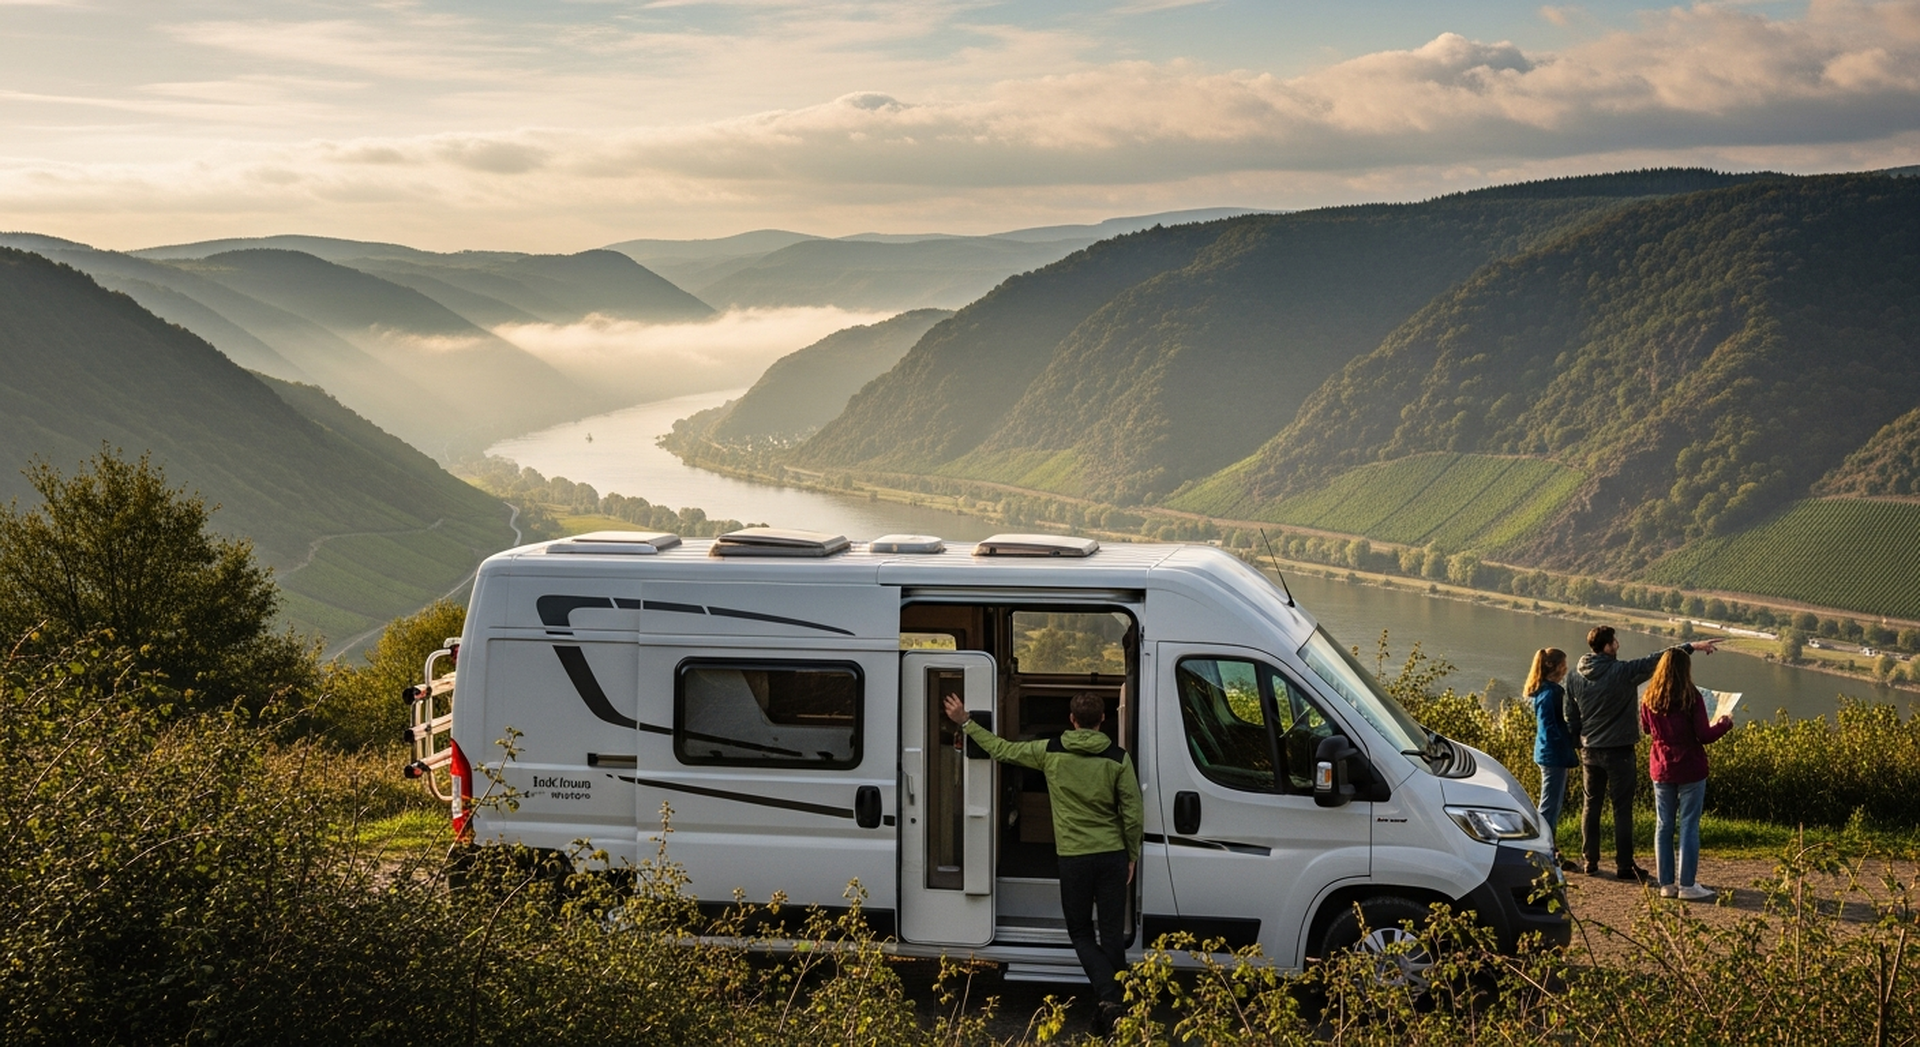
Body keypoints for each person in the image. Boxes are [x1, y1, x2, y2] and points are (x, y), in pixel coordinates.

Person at [943, 690, 1142, 1034]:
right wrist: (1131, 854)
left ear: (1072, 720)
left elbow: (1001, 750)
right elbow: (1133, 813)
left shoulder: (1049, 751)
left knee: (1080, 933)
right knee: (1111, 935)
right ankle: (1114, 1008)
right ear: (1102, 721)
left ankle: (1112, 1001)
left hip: (1075, 858)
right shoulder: (1118, 757)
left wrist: (966, 722)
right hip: (1112, 856)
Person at [1566, 626, 1720, 880]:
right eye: (1615, 641)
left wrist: (1580, 742)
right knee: (1622, 809)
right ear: (1607, 646)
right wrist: (1691, 646)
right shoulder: (1622, 672)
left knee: (1590, 805)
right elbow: (1657, 659)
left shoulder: (1573, 676)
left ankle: (1589, 861)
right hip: (1619, 751)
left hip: (1590, 751)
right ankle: (1624, 865)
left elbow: (1571, 716)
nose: (1618, 644)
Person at [1639, 648, 1733, 900]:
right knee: (1689, 825)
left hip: (1661, 765)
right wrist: (1724, 724)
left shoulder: (1649, 697)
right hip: (1690, 765)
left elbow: (1646, 729)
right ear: (1685, 669)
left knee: (1663, 825)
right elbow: (1704, 735)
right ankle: (1688, 885)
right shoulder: (1692, 697)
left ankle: (1666, 885)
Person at [1525, 648, 1577, 869]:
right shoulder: (1553, 693)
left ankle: (1548, 849)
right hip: (1553, 754)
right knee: (1549, 807)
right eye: (1564, 664)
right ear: (1555, 667)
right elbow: (1551, 726)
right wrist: (1568, 741)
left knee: (1550, 804)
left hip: (1544, 751)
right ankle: (1544, 852)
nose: (1566, 668)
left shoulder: (1540, 689)